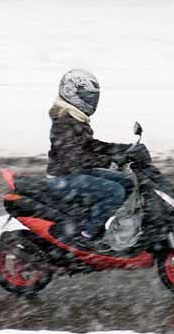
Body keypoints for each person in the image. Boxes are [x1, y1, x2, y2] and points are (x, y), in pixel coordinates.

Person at [46, 69, 134, 246]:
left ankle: (95, 220)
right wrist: (109, 161)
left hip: (75, 172)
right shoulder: (64, 121)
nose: (91, 101)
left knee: (128, 183)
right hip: (63, 177)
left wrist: (122, 149)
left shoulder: (74, 117)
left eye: (93, 97)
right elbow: (74, 160)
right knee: (114, 191)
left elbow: (89, 145)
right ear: (71, 93)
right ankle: (85, 236)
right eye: (87, 96)